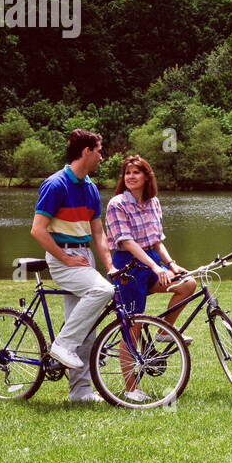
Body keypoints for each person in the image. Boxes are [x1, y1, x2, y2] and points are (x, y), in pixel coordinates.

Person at [30, 130, 115, 403]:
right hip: (64, 259)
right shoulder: (55, 185)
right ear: (86, 151)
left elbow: (99, 234)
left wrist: (110, 266)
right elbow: (37, 230)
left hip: (84, 258)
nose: (102, 157)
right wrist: (65, 259)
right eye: (99, 151)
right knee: (103, 292)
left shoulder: (90, 188)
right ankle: (62, 345)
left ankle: (80, 392)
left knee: (86, 328)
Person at [104, 155, 197, 395]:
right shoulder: (117, 204)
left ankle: (164, 332)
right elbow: (126, 242)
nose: (130, 177)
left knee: (187, 285)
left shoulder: (153, 202)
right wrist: (156, 268)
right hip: (128, 267)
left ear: (146, 176)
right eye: (127, 173)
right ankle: (130, 389)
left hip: (152, 262)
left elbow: (156, 241)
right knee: (132, 328)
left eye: (136, 172)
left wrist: (171, 264)